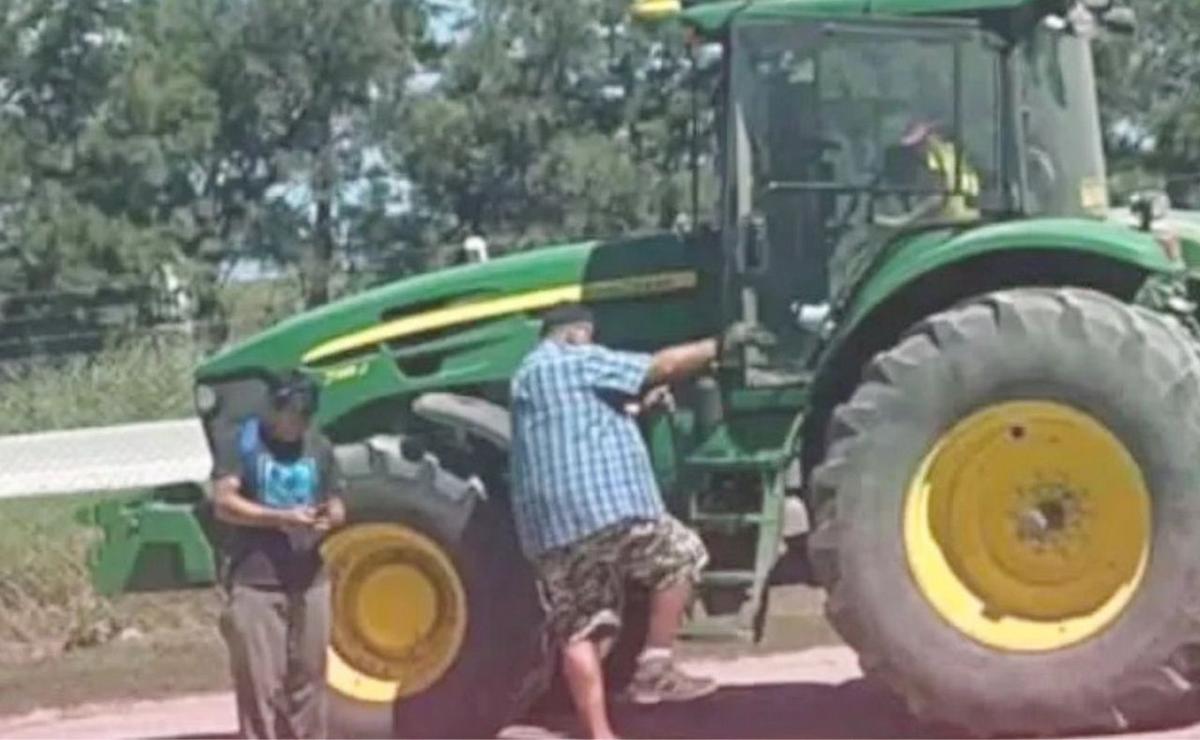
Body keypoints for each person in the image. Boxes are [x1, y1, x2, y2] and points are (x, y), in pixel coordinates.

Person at [510, 304, 763, 739]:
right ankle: (655, 665)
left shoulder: (526, 377)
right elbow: (659, 366)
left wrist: (636, 408)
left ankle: (600, 734)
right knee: (682, 556)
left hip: (550, 530)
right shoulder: (575, 358)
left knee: (581, 627)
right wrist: (718, 346)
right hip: (604, 511)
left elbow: (581, 421)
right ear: (575, 334)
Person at [211, 370, 347, 740]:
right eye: (292, 414)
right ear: (274, 409)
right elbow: (223, 501)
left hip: (310, 579)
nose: (297, 423)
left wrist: (326, 519)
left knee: (312, 680)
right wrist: (279, 518)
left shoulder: (319, 447)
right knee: (260, 684)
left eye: (304, 416)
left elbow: (337, 503)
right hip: (257, 581)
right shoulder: (243, 443)